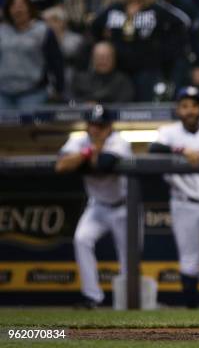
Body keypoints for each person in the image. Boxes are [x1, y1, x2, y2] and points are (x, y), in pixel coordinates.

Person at [149, 86, 199, 308]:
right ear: (178, 110)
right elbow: (153, 149)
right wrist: (181, 150)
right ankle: (191, 310)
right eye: (185, 106)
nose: (190, 110)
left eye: (194, 105)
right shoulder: (169, 132)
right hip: (184, 203)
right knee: (189, 259)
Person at [55, 104, 132, 308]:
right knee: (81, 239)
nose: (96, 129)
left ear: (109, 127)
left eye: (101, 125)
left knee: (128, 255)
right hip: (97, 206)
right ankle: (92, 297)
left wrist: (81, 158)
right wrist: (90, 151)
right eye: (92, 125)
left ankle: (127, 302)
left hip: (123, 207)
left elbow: (103, 165)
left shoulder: (119, 142)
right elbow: (61, 165)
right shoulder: (78, 140)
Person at [91, 0, 188, 101]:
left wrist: (162, 49)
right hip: (119, 70)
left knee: (143, 105)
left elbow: (181, 23)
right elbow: (94, 25)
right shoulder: (115, 8)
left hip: (146, 69)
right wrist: (106, 42)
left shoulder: (155, 8)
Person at [0, 0, 63, 109]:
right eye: (14, 6)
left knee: (30, 127)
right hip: (3, 93)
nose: (18, 10)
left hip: (33, 92)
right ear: (8, 10)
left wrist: (58, 89)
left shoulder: (43, 31)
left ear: (29, 8)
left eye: (21, 5)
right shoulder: (1, 31)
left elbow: (56, 62)